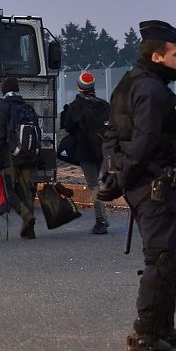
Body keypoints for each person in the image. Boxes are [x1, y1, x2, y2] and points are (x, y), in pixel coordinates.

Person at [104, 20, 176, 351]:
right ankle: (144, 336)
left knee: (168, 256)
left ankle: (162, 327)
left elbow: (111, 134)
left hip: (143, 182)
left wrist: (115, 174)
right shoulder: (153, 90)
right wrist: (125, 176)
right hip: (152, 183)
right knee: (161, 258)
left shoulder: (130, 82)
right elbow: (144, 143)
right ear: (157, 57)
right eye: (175, 54)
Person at [0, 76, 38, 239]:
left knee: (7, 190)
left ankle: (26, 215)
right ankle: (30, 230)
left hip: (10, 157)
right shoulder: (27, 107)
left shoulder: (3, 106)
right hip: (28, 156)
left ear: (4, 90)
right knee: (26, 191)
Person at [60, 72, 110, 234]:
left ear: (78, 86)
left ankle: (101, 221)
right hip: (101, 150)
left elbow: (68, 127)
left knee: (93, 184)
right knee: (98, 183)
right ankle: (103, 218)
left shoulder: (76, 106)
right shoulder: (104, 105)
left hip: (86, 151)